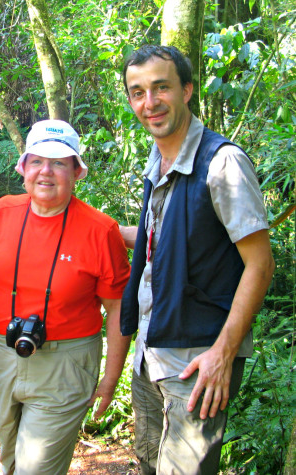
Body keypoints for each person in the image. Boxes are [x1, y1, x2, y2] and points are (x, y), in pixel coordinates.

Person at [119, 44, 275, 474]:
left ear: (187, 90)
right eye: (137, 92)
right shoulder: (159, 159)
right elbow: (166, 241)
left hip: (198, 360)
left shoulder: (221, 163)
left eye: (160, 87)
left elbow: (260, 265)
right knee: (149, 463)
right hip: (151, 353)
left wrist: (223, 353)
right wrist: (106, 233)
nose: (149, 103)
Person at [0, 119, 131, 475]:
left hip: (65, 364)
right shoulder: (2, 212)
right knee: (10, 460)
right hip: (1, 354)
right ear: (23, 168)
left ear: (76, 172)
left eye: (58, 162)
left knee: (35, 469)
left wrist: (110, 378)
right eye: (37, 160)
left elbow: (118, 308)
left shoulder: (101, 231)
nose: (46, 171)